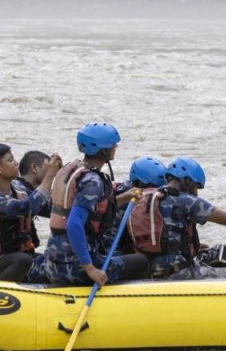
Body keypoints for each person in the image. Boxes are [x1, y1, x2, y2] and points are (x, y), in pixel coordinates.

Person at [27, 123, 150, 286]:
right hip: (76, 268)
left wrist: (123, 198)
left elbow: (90, 208)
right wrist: (90, 268)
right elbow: (74, 224)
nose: (116, 148)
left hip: (53, 262)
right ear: (104, 150)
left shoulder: (72, 171)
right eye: (114, 145)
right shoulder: (93, 181)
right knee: (141, 261)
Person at [140, 156, 226, 280]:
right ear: (187, 181)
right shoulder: (186, 201)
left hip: (153, 269)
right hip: (181, 273)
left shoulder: (152, 198)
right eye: (196, 187)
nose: (196, 192)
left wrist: (192, 246)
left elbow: (162, 234)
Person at [0, 145, 62, 281]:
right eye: (10, 160)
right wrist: (49, 175)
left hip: (24, 257)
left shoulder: (18, 189)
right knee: (22, 260)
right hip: (8, 260)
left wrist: (63, 178)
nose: (16, 162)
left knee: (59, 261)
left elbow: (51, 208)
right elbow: (27, 208)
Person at [103, 156, 167, 255]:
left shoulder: (149, 197)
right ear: (139, 183)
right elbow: (110, 242)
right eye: (151, 188)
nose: (153, 193)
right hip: (112, 254)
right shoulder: (125, 202)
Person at [11, 150, 53, 253]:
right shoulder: (17, 187)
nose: (52, 173)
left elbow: (54, 209)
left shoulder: (30, 191)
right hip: (14, 257)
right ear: (34, 168)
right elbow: (31, 207)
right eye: (48, 169)